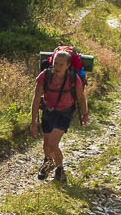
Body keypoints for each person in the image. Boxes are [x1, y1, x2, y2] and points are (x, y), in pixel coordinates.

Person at [31, 46, 86, 182]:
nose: (57, 66)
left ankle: (60, 170)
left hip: (65, 112)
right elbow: (36, 98)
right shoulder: (45, 76)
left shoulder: (74, 79)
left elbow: (81, 97)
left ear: (68, 66)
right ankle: (48, 163)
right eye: (55, 63)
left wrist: (85, 113)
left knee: (53, 143)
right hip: (48, 110)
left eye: (61, 64)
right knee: (46, 143)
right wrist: (33, 122)